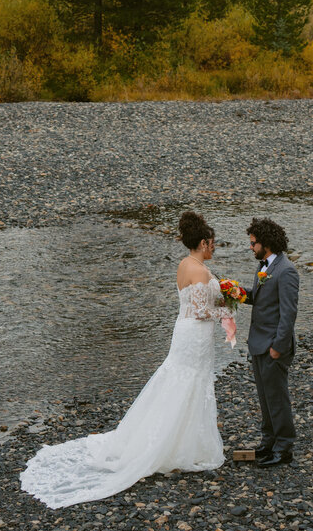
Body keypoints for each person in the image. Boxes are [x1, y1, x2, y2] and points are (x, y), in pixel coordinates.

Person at [20, 210, 229, 507]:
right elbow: (201, 311)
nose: (214, 248)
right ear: (205, 242)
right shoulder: (199, 271)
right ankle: (177, 445)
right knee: (188, 384)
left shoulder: (185, 265)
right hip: (194, 334)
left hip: (185, 332)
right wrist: (227, 310)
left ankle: (178, 439)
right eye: (213, 243)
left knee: (179, 380)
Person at [242, 217, 299, 467]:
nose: (251, 248)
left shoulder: (286, 271)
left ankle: (284, 447)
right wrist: (236, 292)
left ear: (266, 244)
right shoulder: (264, 267)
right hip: (258, 342)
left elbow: (289, 314)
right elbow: (259, 297)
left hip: (273, 345)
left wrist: (278, 347)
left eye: (253, 243)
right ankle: (269, 442)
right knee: (265, 397)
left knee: (277, 398)